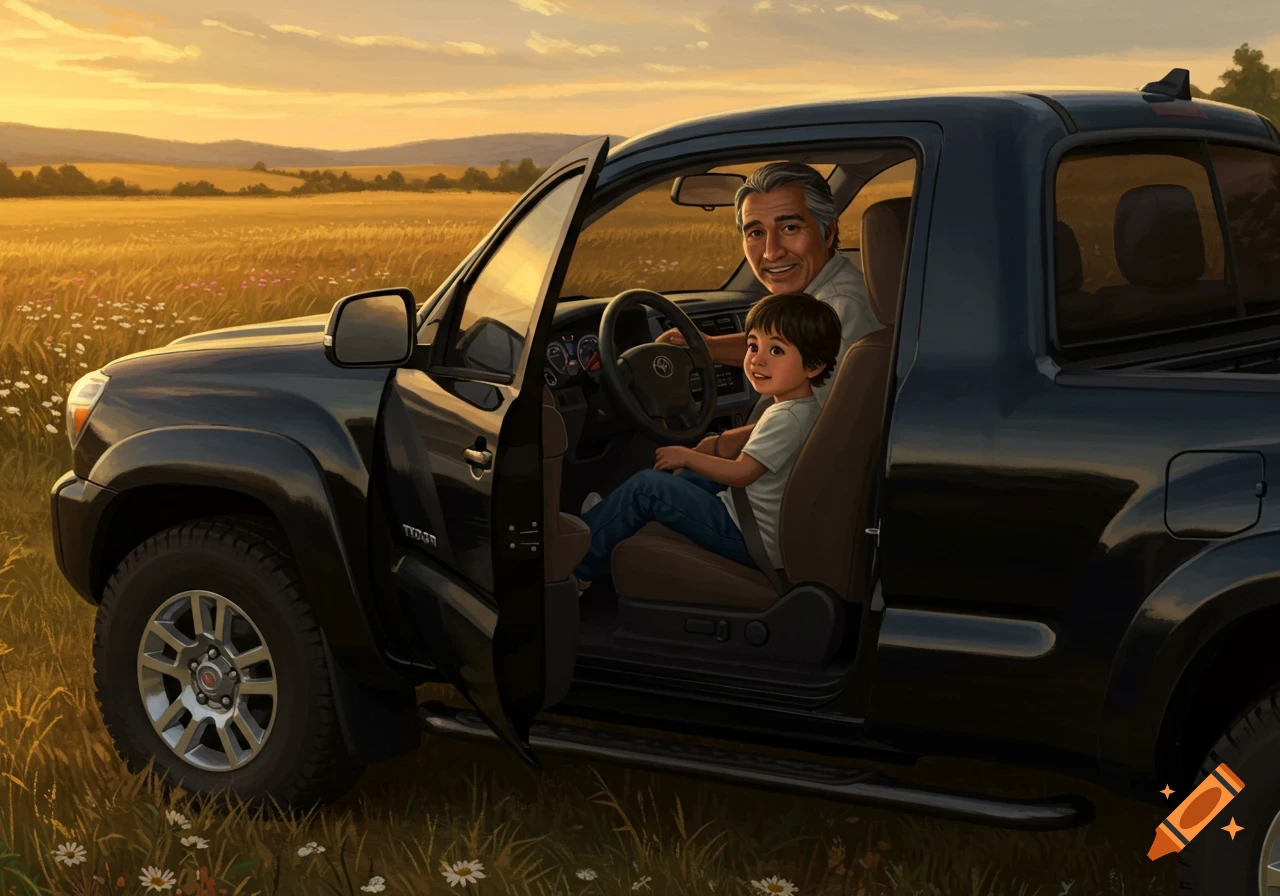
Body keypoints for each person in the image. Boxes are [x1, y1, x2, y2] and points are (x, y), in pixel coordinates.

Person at [573, 292, 841, 591]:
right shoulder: (807, 407)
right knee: (691, 475)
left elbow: (741, 473)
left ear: (813, 366)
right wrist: (704, 454)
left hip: (746, 536)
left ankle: (578, 564)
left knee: (647, 488)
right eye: (753, 346)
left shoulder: (785, 418)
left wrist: (686, 456)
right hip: (761, 522)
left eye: (776, 350)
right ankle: (608, 519)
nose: (757, 359)